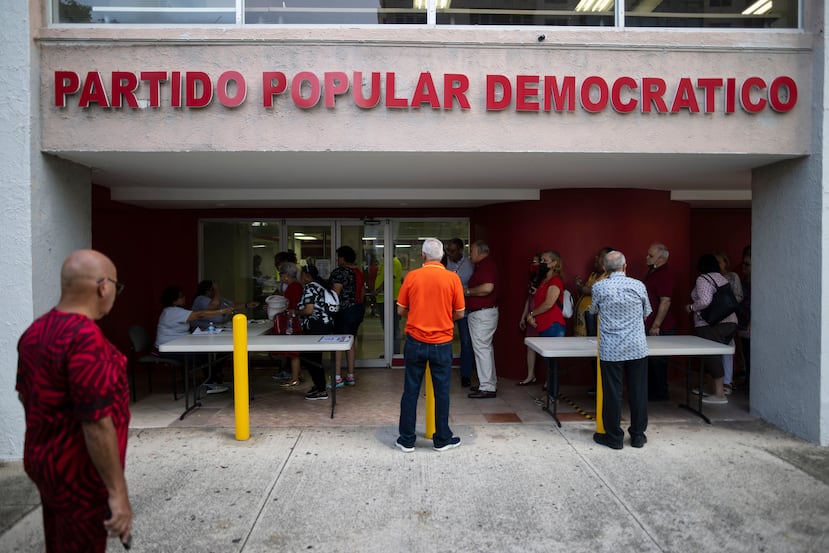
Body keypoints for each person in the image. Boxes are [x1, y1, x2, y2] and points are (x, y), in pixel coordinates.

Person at [16, 249, 133, 551]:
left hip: (45, 464)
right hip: (80, 472)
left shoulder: (35, 331)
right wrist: (117, 492)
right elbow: (95, 421)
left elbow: (25, 394)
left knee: (59, 542)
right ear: (103, 287)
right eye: (117, 288)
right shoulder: (84, 337)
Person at [395, 238, 465, 452]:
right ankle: (442, 438)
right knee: (442, 392)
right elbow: (460, 313)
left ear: (423, 256)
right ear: (442, 256)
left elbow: (400, 310)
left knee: (411, 391)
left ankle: (407, 440)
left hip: (415, 341)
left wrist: (416, 314)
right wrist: (443, 318)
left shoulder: (412, 277)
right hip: (442, 343)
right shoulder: (453, 278)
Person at [589, 250, 652, 450]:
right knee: (638, 391)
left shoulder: (599, 287)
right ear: (625, 266)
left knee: (612, 393)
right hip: (636, 347)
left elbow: (593, 311)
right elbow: (646, 312)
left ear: (605, 268)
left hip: (611, 349)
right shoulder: (638, 285)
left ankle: (614, 437)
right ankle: (638, 436)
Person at [156, 286, 234, 394]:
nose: (184, 298)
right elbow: (200, 315)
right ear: (174, 301)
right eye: (181, 297)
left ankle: (214, 379)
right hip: (169, 350)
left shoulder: (173, 311)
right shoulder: (172, 312)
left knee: (209, 354)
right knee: (205, 355)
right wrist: (222, 311)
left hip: (176, 346)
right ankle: (210, 385)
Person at [686, 253, 739, 405]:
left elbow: (705, 301)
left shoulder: (703, 279)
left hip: (712, 324)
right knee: (715, 354)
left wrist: (690, 307)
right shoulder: (721, 277)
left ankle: (719, 393)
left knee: (711, 355)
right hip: (730, 322)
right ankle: (711, 388)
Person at [523, 251, 567, 387]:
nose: (541, 263)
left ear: (554, 263)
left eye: (545, 260)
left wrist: (531, 314)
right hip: (543, 326)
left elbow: (548, 304)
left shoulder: (556, 280)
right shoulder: (543, 280)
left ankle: (553, 397)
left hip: (553, 325)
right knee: (549, 363)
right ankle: (551, 396)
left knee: (552, 363)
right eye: (541, 260)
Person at [465, 240, 499, 399]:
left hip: (482, 314)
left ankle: (487, 387)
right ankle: (488, 383)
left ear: (480, 251)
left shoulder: (486, 265)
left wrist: (468, 292)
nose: (470, 254)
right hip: (482, 313)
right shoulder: (484, 266)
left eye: (471, 251)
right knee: (485, 349)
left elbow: (487, 288)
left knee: (482, 350)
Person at [643, 242, 676, 401]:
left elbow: (666, 301)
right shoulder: (653, 272)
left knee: (658, 362)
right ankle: (651, 392)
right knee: (650, 361)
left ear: (661, 258)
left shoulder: (664, 274)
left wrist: (656, 325)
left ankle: (660, 394)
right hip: (649, 324)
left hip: (659, 327)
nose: (647, 257)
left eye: (651, 255)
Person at [329, 245, 365, 387]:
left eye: (338, 257)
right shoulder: (358, 272)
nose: (337, 259)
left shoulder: (339, 273)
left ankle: (337, 377)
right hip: (357, 309)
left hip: (343, 311)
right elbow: (362, 292)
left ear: (343, 258)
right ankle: (350, 375)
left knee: (338, 342)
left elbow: (335, 293)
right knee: (350, 341)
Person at [298, 264, 335, 400]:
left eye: (301, 274)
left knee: (310, 357)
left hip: (314, 326)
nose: (299, 277)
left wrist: (295, 312)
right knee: (314, 357)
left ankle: (321, 389)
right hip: (324, 325)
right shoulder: (321, 286)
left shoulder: (310, 287)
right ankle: (319, 385)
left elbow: (308, 310)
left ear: (306, 275)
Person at [444, 238, 475, 387]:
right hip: (446, 309)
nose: (450, 254)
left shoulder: (469, 265)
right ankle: (444, 372)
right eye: (448, 250)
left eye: (453, 251)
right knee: (444, 340)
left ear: (461, 250)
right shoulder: (444, 263)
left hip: (463, 309)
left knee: (466, 341)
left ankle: (466, 375)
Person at [714, 251, 744, 395]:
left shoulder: (732, 276)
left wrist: (725, 306)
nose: (718, 264)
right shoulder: (711, 277)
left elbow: (739, 295)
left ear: (725, 262)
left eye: (719, 261)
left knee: (728, 347)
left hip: (728, 317)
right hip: (714, 318)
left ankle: (727, 381)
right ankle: (716, 382)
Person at [273, 262, 304, 387]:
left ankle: (295, 378)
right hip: (295, 320)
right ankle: (298, 374)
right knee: (294, 351)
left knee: (293, 352)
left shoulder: (293, 287)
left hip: (293, 322)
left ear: (286, 276)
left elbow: (291, 306)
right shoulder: (297, 286)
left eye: (281, 276)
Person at [190, 279, 258, 331]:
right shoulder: (200, 299)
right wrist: (217, 290)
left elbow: (232, 305)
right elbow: (214, 305)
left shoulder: (219, 299)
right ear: (208, 290)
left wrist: (247, 305)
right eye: (212, 290)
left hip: (220, 328)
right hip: (204, 330)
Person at [517, 253, 543, 386]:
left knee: (546, 347)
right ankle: (530, 375)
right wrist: (524, 316)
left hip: (542, 316)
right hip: (530, 317)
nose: (533, 265)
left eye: (536, 262)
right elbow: (529, 299)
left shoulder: (546, 279)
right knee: (530, 347)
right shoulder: (533, 278)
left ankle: (548, 380)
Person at [375, 251, 403, 355]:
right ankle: (389, 352)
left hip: (392, 299)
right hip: (383, 299)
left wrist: (378, 290)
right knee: (386, 327)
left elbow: (390, 278)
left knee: (394, 327)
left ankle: (395, 354)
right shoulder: (385, 263)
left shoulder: (394, 262)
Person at [736, 245, 752, 385]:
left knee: (751, 353)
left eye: (747, 264)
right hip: (741, 320)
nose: (744, 267)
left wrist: (752, 322)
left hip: (749, 322)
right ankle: (747, 380)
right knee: (745, 352)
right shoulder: (744, 280)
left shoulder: (757, 282)